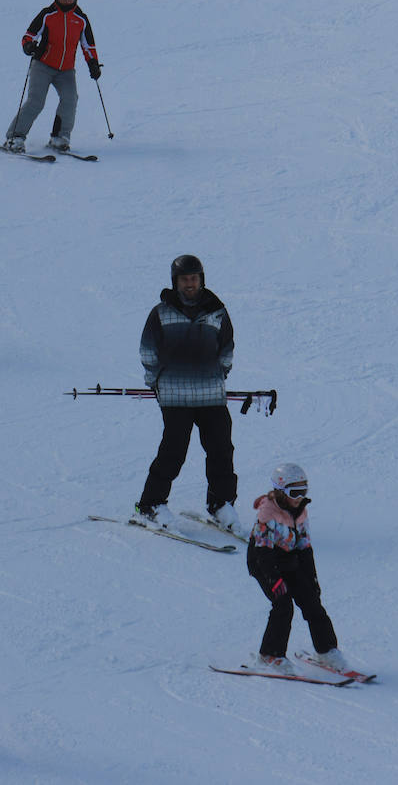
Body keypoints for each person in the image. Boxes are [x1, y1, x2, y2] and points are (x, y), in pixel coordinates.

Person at [135, 254, 241, 532]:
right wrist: (155, 380)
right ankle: (150, 505)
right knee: (173, 451)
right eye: (184, 279)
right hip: (175, 396)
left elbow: (226, 349)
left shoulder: (217, 311)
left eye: (194, 278)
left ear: (201, 280)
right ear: (176, 282)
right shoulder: (161, 313)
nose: (190, 283)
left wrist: (218, 374)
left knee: (221, 450)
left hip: (211, 396)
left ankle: (222, 505)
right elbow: (148, 350)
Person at [246, 461, 349, 673]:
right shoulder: (267, 513)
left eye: (303, 491)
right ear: (281, 491)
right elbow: (262, 552)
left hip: (290, 561)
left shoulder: (301, 511)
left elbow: (304, 548)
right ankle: (270, 655)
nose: (300, 497)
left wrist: (312, 579)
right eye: (295, 492)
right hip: (263, 563)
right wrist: (274, 581)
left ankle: (326, 651)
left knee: (313, 602)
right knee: (283, 605)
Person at [2, 0, 101, 153]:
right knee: (36, 101)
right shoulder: (47, 14)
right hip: (43, 66)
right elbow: (29, 35)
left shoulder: (81, 19)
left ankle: (59, 137)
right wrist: (29, 46)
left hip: (66, 70)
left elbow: (88, 46)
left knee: (70, 99)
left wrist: (93, 64)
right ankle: (14, 137)